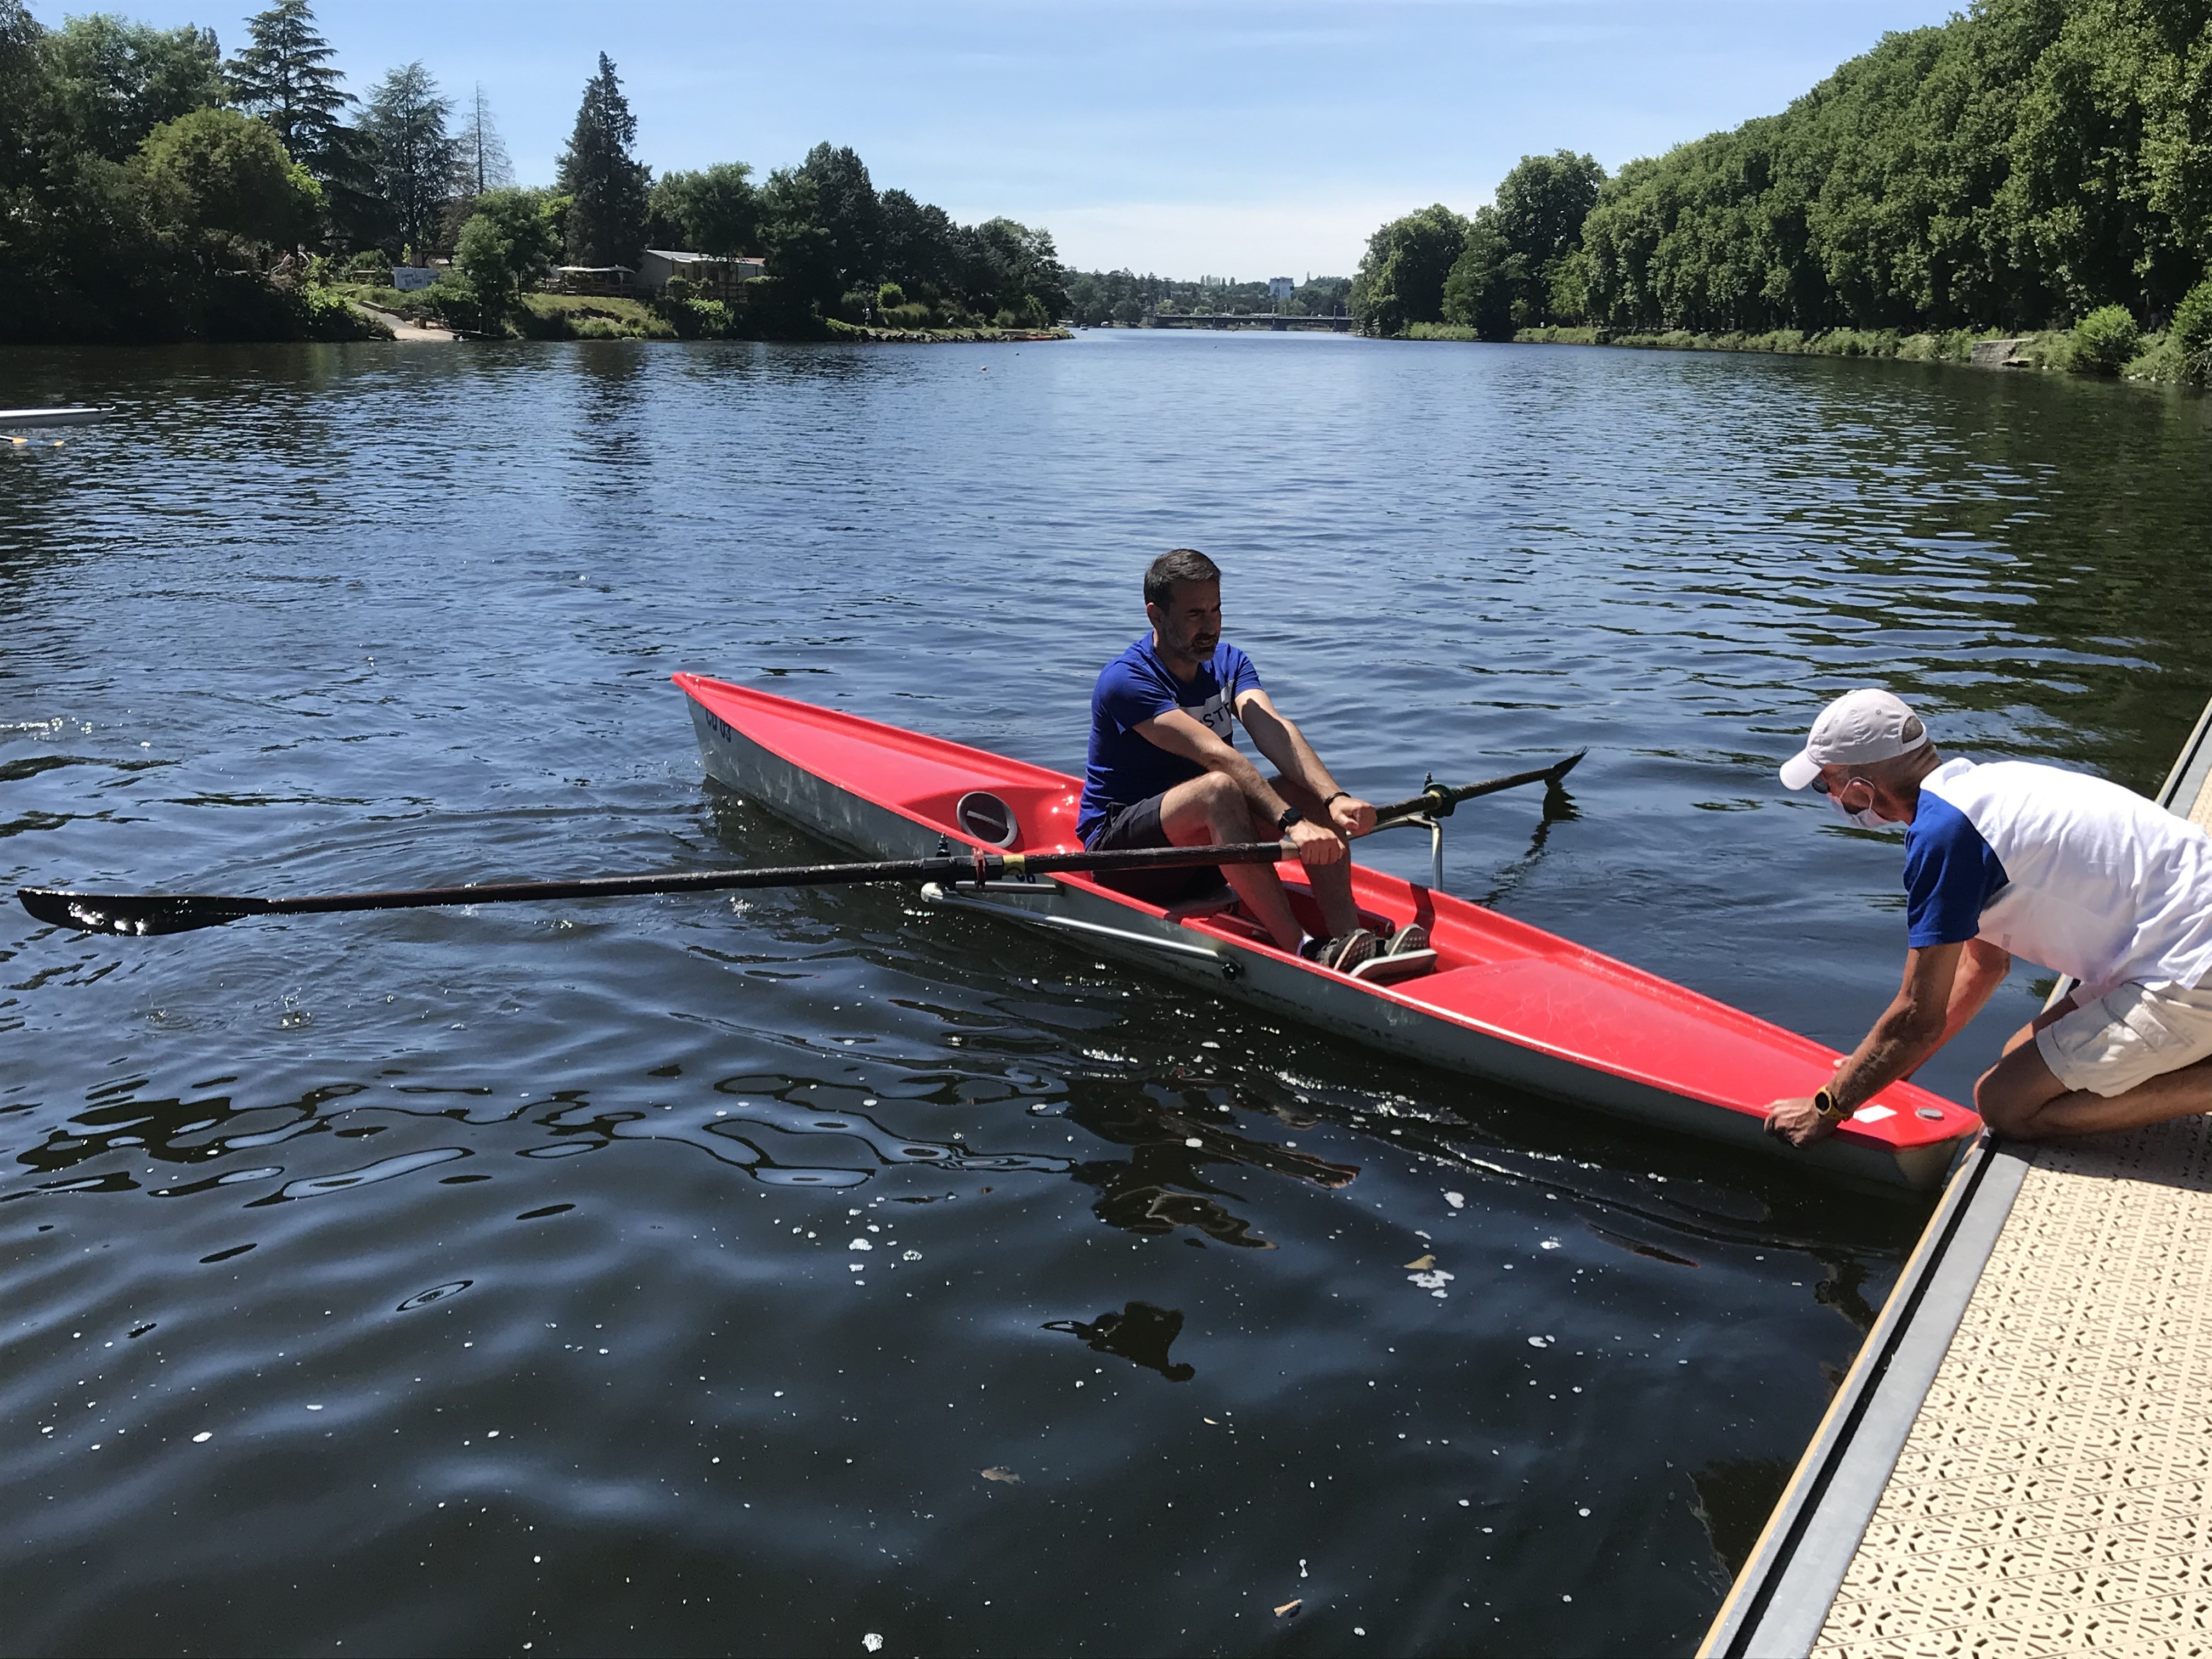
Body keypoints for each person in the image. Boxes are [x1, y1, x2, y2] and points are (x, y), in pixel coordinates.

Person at [1764, 687, 2212, 1147]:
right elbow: (1983, 967)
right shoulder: (1980, 794)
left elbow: (1918, 1017)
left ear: (1862, 788)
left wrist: (1829, 1107)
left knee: (2006, 1104)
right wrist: (1882, 1068)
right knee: (2019, 1058)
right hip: (2177, 934)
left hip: (2190, 963)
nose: (1830, 796)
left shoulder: (1944, 840)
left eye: (1827, 783)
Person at [1077, 548, 1421, 973]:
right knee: (1219, 787)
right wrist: (1292, 824)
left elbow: (1275, 729)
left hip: (1204, 851)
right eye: (1194, 615)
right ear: (1156, 616)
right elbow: (1216, 755)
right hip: (1125, 860)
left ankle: (1350, 940)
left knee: (1302, 787)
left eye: (1216, 610)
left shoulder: (1230, 663)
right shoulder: (1127, 681)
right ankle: (1302, 949)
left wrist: (1333, 799)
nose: (1210, 626)